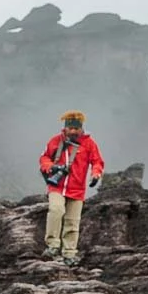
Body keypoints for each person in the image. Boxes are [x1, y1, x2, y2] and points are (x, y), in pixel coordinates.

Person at [39, 111, 105, 266]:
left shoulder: (89, 144)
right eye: (70, 128)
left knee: (73, 222)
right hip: (57, 186)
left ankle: (69, 253)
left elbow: (97, 162)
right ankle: (52, 245)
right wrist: (52, 167)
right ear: (65, 128)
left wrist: (96, 174)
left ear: (82, 128)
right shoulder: (55, 140)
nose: (73, 131)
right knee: (56, 210)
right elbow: (44, 157)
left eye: (77, 128)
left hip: (77, 189)